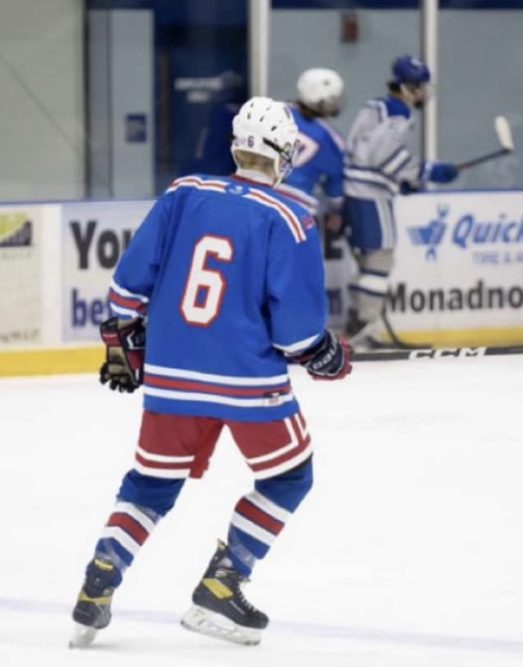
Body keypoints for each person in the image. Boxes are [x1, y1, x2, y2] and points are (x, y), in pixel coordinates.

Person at [69, 97, 352, 649]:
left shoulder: (183, 193)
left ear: (236, 146)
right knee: (291, 475)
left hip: (172, 374)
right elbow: (294, 335)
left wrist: (120, 339)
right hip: (247, 381)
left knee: (150, 486)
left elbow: (127, 289)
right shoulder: (290, 216)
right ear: (283, 154)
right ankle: (223, 586)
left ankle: (99, 581)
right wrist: (323, 352)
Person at [342, 54, 460, 345]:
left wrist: (402, 181)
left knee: (368, 262)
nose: (424, 92)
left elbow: (367, 153)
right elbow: (381, 156)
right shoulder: (398, 114)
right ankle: (363, 328)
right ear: (407, 87)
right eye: (420, 86)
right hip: (370, 196)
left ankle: (359, 325)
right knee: (380, 261)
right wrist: (427, 171)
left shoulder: (375, 107)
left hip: (357, 193)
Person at [279, 67, 346, 234]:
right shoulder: (330, 139)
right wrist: (336, 212)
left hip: (259, 198)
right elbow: (335, 185)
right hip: (299, 208)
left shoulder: (273, 112)